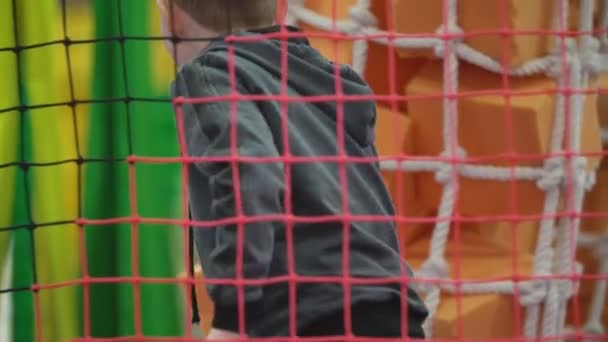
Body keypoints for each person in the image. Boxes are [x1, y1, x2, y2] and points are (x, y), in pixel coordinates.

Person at [157, 0, 428, 339]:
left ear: (174, 19)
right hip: (393, 312)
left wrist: (232, 318)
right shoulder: (325, 77)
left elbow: (251, 174)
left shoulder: (207, 75)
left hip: (309, 317)